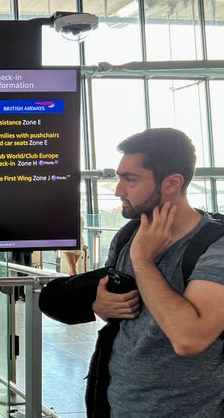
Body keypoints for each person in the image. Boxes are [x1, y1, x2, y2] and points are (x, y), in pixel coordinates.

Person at [41, 128, 224, 417]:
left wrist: (143, 259)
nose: (118, 190)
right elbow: (127, 311)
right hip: (118, 403)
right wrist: (100, 305)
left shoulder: (216, 247)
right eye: (119, 177)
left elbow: (189, 339)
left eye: (131, 179)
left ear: (172, 183)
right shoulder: (130, 233)